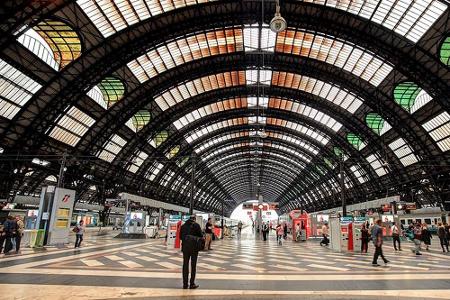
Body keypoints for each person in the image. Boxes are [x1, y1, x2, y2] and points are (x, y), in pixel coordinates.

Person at [180, 215, 203, 289]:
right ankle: (192, 283)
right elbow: (201, 236)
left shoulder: (183, 226)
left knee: (185, 265)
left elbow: (180, 237)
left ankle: (185, 284)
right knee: (193, 266)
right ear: (194, 219)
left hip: (185, 248)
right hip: (194, 248)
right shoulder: (196, 225)